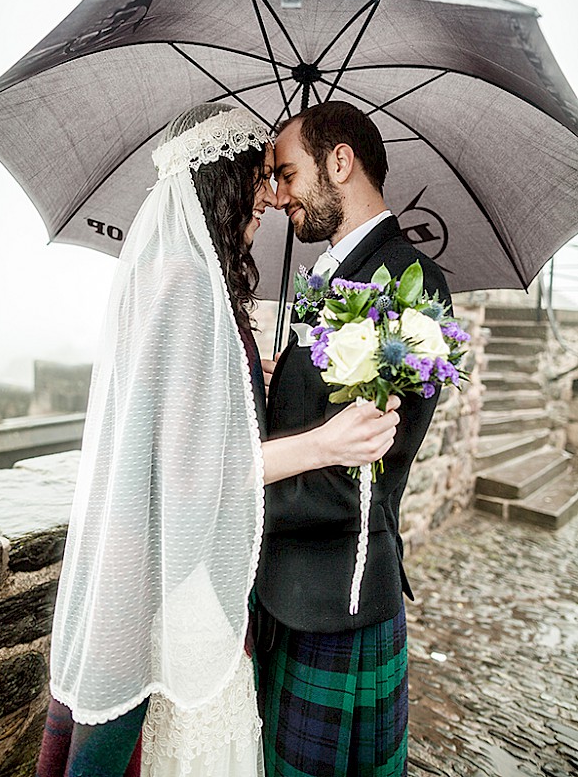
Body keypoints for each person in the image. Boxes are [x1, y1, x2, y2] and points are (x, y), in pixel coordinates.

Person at [36, 102, 400, 777]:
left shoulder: (163, 273)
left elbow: (171, 418)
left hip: (149, 559)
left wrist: (238, 381)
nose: (263, 211)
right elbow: (194, 475)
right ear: (219, 194)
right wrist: (324, 444)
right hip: (175, 575)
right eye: (254, 203)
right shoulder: (183, 283)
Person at [256, 100, 452, 777]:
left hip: (335, 598)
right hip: (290, 591)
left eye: (287, 173)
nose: (278, 195)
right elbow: (319, 416)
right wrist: (285, 382)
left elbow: (364, 467)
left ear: (339, 161)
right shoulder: (339, 274)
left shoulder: (405, 281)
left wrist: (234, 496)